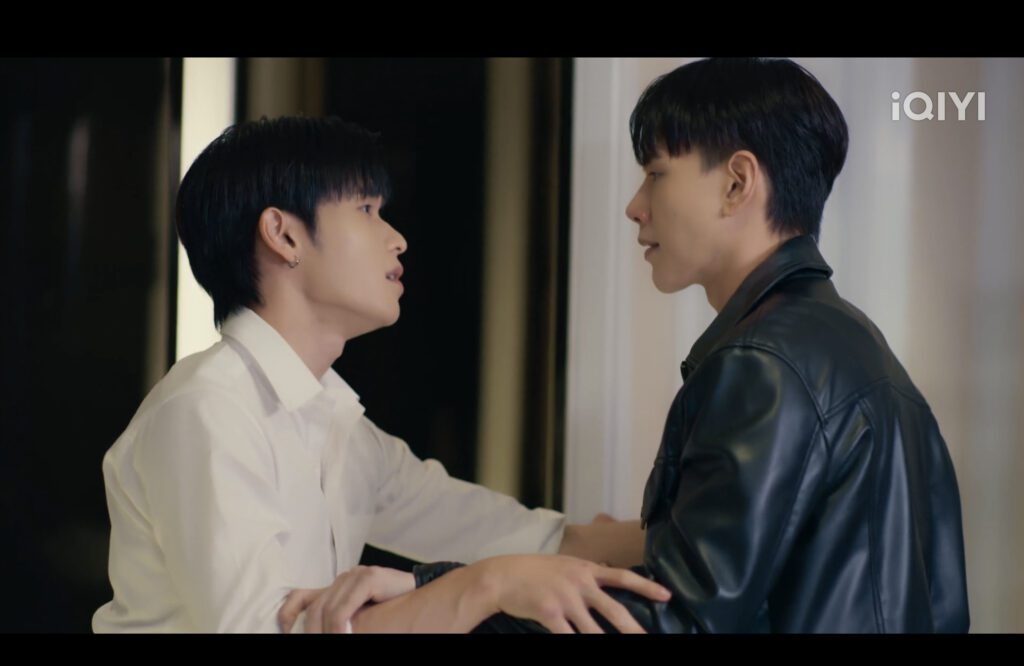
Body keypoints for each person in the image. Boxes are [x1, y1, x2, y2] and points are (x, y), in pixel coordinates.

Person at [411, 57, 971, 633]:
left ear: (737, 183)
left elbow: (676, 622)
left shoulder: (764, 365)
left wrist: (457, 596)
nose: (635, 206)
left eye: (655, 173)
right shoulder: (853, 342)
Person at [92, 115, 669, 634]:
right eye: (366, 210)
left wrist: (706, 535)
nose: (397, 238)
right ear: (284, 235)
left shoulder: (337, 425)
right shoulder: (209, 409)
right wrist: (484, 585)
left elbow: (529, 538)